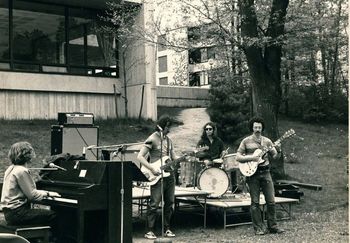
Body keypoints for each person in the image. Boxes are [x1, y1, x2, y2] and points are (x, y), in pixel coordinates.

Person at [236, 117, 284, 235]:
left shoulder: (267, 141)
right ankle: (258, 228)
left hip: (266, 172)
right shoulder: (246, 141)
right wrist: (252, 158)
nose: (257, 129)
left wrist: (279, 149)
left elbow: (275, 157)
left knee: (271, 201)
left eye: (259, 127)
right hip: (253, 175)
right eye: (255, 127)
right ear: (252, 128)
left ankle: (273, 226)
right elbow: (238, 157)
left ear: (262, 128)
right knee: (255, 202)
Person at [0, 142, 61, 228]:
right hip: (18, 214)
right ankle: (49, 239)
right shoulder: (22, 171)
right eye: (30, 152)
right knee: (52, 215)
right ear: (26, 155)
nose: (32, 155)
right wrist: (48, 193)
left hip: (9, 213)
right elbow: (32, 195)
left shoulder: (11, 168)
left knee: (43, 213)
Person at [137, 115, 178, 240]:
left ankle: (166, 228)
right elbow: (140, 156)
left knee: (170, 202)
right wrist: (151, 168)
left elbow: (174, 157)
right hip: (156, 174)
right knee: (154, 203)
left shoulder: (169, 141)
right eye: (168, 127)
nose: (169, 130)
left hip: (169, 175)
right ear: (162, 126)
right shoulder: (152, 138)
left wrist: (183, 158)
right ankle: (149, 230)